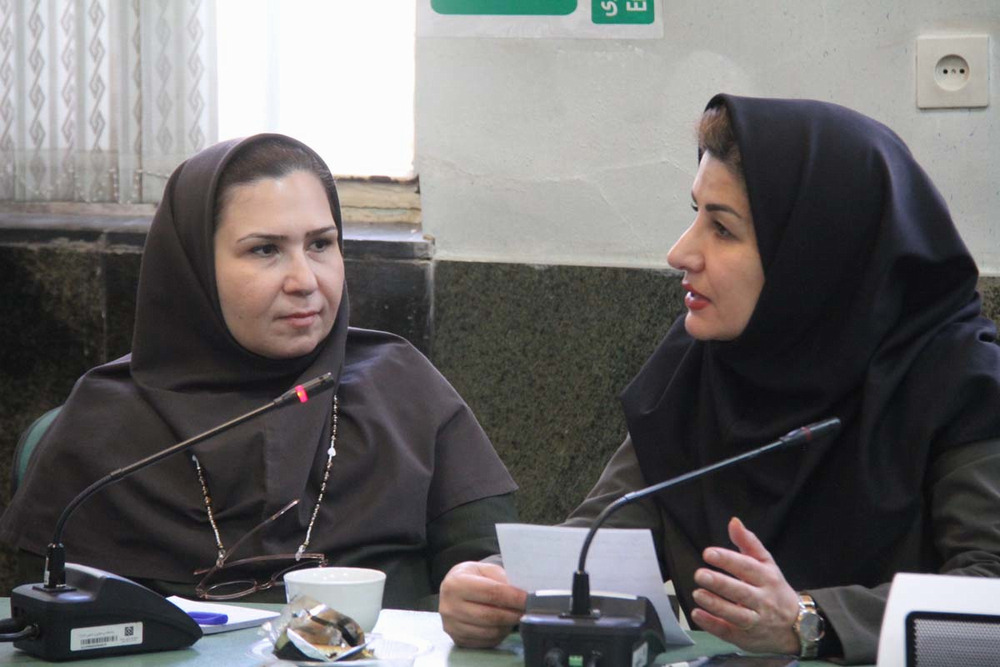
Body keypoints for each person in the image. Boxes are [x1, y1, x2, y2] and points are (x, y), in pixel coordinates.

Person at [438, 94, 1000, 663]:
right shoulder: (705, 363)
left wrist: (810, 620)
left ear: (812, 256)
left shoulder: (956, 378)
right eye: (695, 215)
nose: (680, 253)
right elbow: (603, 540)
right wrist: (495, 586)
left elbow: (991, 598)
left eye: (723, 229)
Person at [0, 134, 518, 610]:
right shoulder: (101, 428)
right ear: (192, 267)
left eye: (320, 244)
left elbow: (491, 562)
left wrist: (481, 595)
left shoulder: (403, 390)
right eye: (265, 250)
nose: (304, 280)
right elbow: (46, 623)